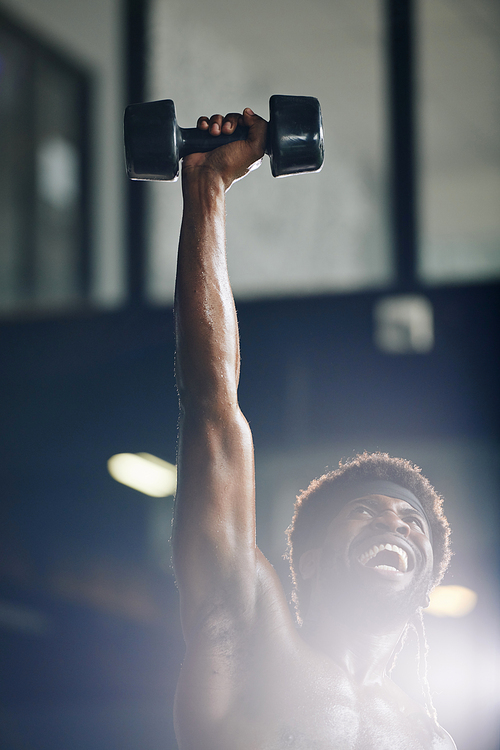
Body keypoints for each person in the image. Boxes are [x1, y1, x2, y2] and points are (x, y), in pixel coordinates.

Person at [171, 107, 456, 750]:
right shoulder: (245, 639)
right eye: (367, 511)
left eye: (411, 522)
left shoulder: (435, 741)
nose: (394, 523)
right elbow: (213, 404)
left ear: (429, 578)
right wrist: (206, 190)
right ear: (311, 554)